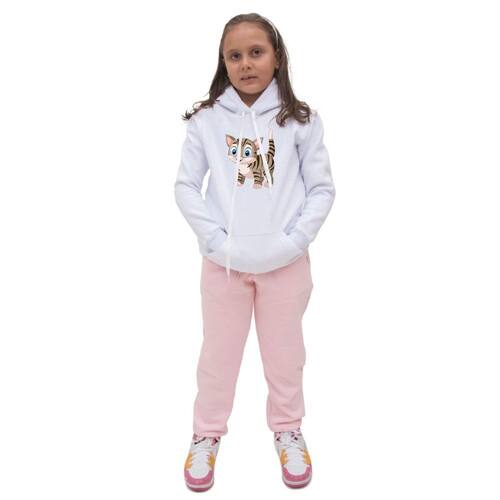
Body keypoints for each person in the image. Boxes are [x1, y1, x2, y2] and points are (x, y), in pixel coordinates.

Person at [174, 12, 335, 491]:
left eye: (256, 52)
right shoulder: (206, 121)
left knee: (285, 356)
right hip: (224, 267)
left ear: (277, 57)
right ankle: (206, 434)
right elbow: (186, 186)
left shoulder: (301, 121)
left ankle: (287, 429)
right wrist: (216, 241)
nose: (245, 63)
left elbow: (321, 189)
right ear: (223, 63)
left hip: (286, 267)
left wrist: (293, 242)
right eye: (235, 55)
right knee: (217, 357)